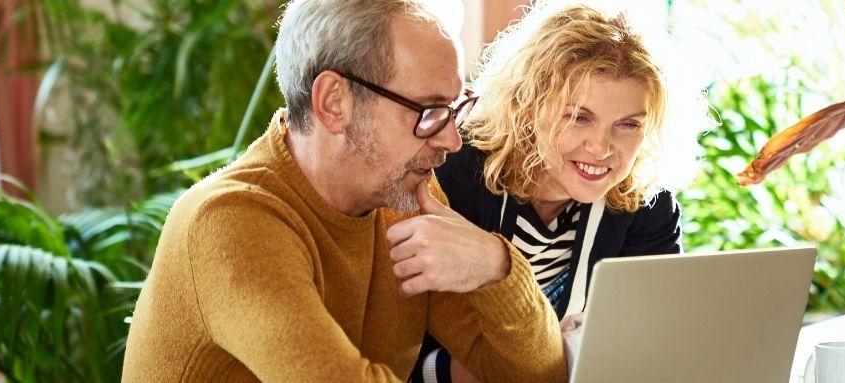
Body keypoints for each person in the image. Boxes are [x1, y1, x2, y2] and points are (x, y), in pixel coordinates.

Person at [121, 1, 565, 381]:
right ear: (334, 103)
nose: (451, 140)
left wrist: (497, 265)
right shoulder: (229, 222)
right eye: (429, 111)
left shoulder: (405, 206)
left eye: (453, 108)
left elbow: (537, 375)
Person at [408, 2, 708, 382]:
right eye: (579, 117)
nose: (601, 148)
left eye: (628, 125)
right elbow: (394, 343)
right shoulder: (452, 175)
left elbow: (651, 345)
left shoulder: (647, 204)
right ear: (528, 105)